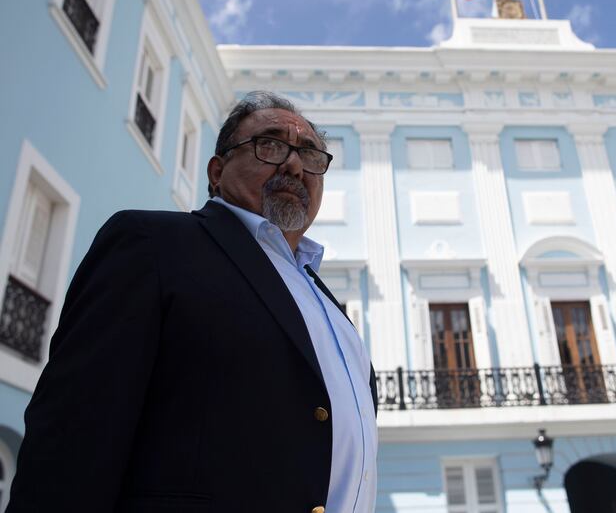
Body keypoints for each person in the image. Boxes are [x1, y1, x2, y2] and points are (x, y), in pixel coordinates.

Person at [8, 91, 378, 513]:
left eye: (310, 153)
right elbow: (72, 437)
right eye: (271, 144)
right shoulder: (153, 244)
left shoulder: (330, 306)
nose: (294, 164)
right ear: (217, 171)